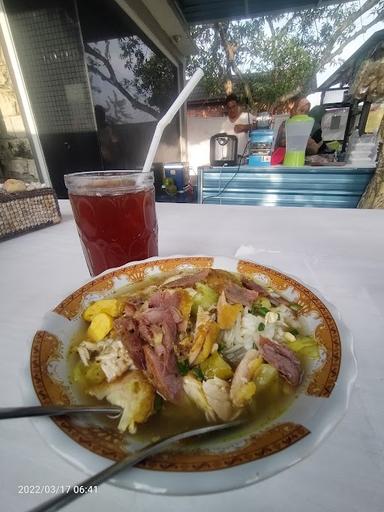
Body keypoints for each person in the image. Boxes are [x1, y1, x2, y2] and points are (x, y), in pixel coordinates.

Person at [273, 96, 323, 162]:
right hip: (286, 162)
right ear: (294, 110)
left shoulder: (304, 126)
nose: (303, 114)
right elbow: (284, 144)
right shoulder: (286, 124)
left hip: (299, 161)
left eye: (306, 112)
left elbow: (314, 148)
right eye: (301, 111)